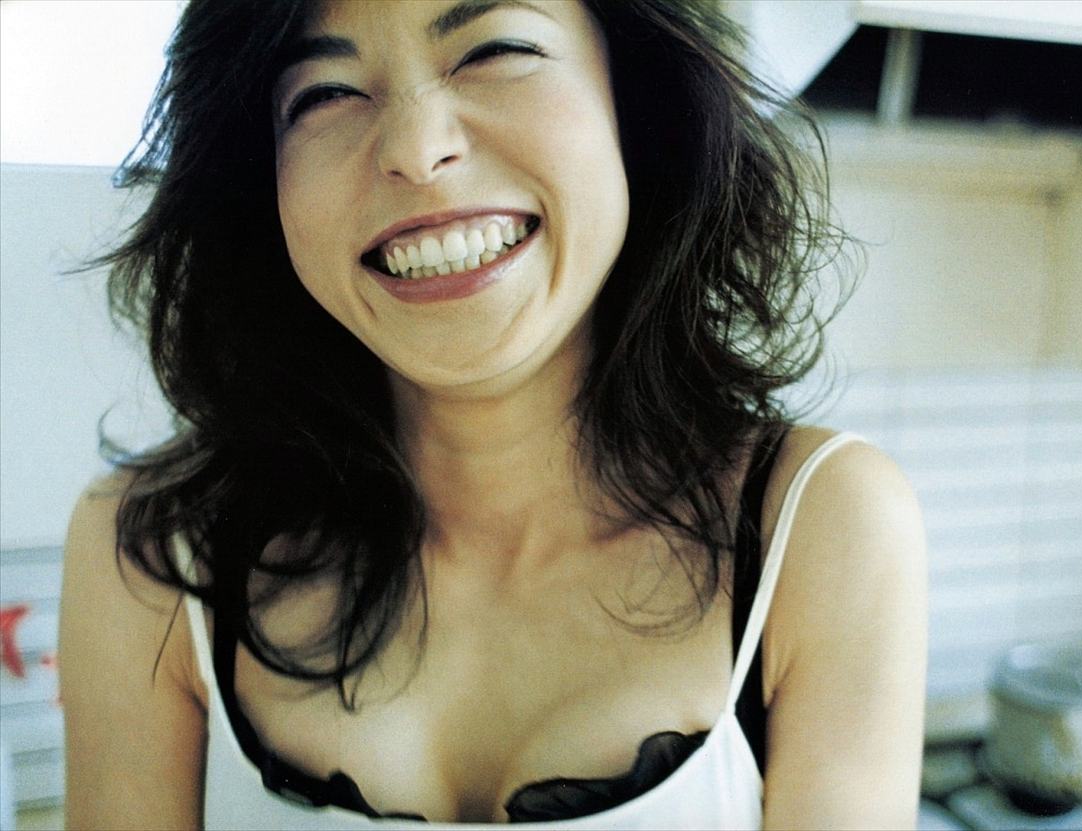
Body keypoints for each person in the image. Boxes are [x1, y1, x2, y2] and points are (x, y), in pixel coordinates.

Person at [59, 1, 927, 828]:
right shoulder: (148, 556)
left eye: (494, 50)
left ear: (635, 101)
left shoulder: (820, 526)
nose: (415, 149)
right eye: (324, 94)